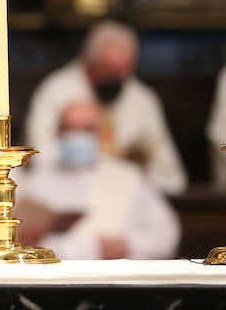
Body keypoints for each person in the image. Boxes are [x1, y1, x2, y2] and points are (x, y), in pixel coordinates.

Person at [25, 21, 186, 195]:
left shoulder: (142, 99)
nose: (118, 80)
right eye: (109, 71)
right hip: (72, 193)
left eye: (124, 72)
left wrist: (128, 171)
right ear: (90, 63)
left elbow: (168, 172)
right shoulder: (55, 91)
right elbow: (42, 160)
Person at [19, 99, 179, 260]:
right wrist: (91, 249)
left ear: (103, 134)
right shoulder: (39, 182)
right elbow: (27, 244)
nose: (77, 137)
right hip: (63, 279)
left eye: (87, 129)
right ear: (57, 133)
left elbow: (166, 234)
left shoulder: (127, 176)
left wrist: (127, 246)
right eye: (69, 129)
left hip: (122, 276)